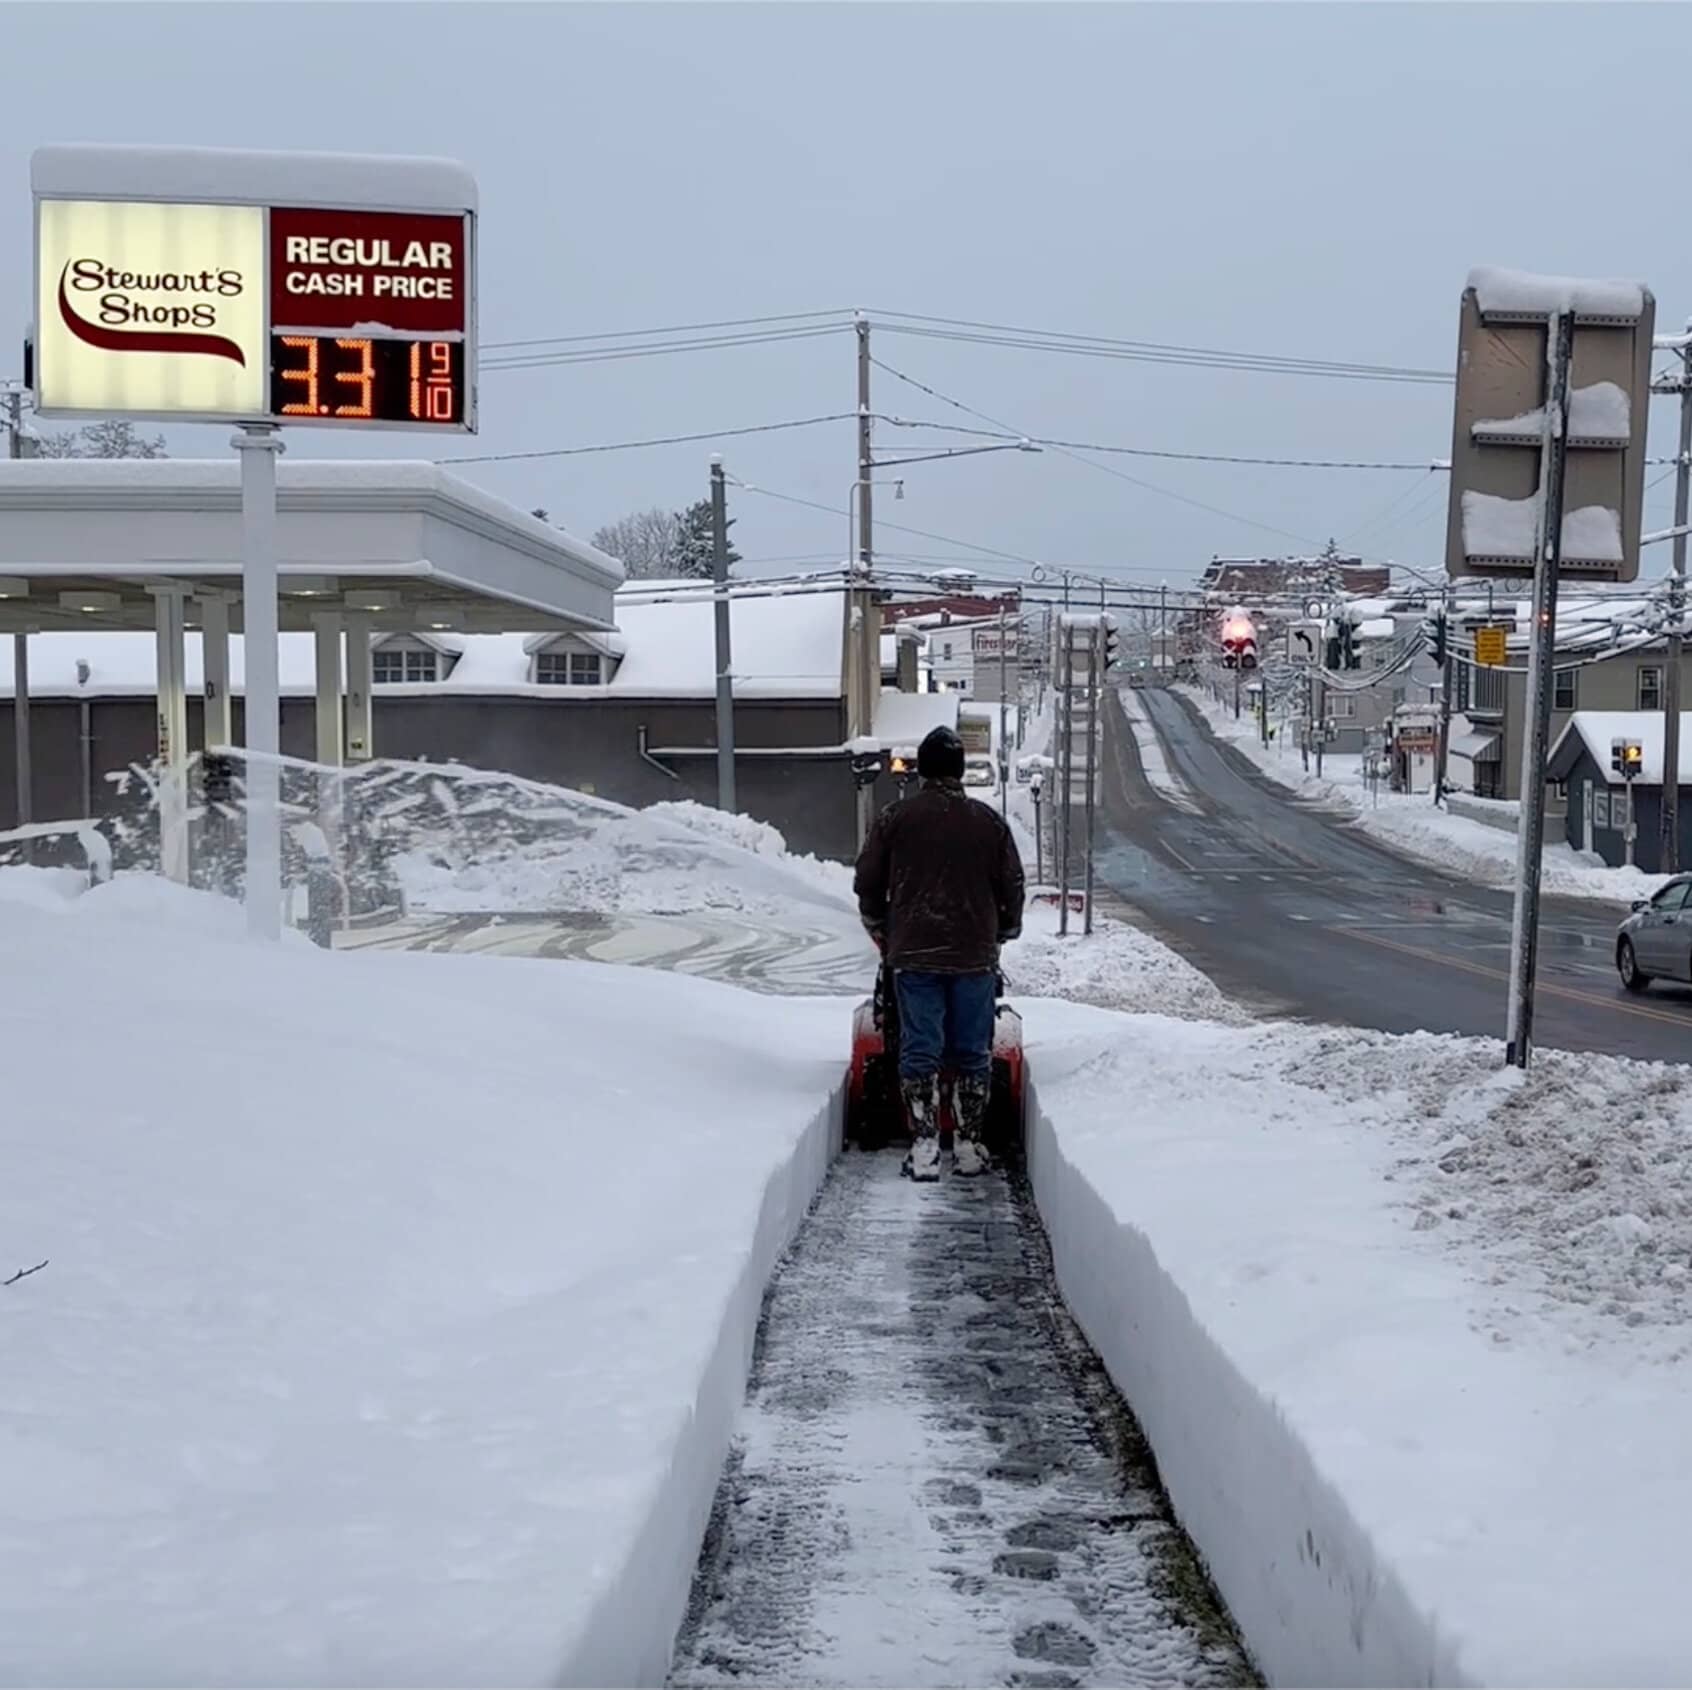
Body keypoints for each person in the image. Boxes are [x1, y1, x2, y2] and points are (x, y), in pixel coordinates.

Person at [853, 724, 1026, 1180]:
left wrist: (881, 927)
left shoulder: (894, 819)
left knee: (919, 1047)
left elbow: (867, 882)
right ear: (960, 771)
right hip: (974, 957)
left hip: (913, 955)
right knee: (973, 1050)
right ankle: (969, 1145)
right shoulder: (989, 824)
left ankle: (926, 1144)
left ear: (923, 770)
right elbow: (1012, 884)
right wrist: (1003, 930)